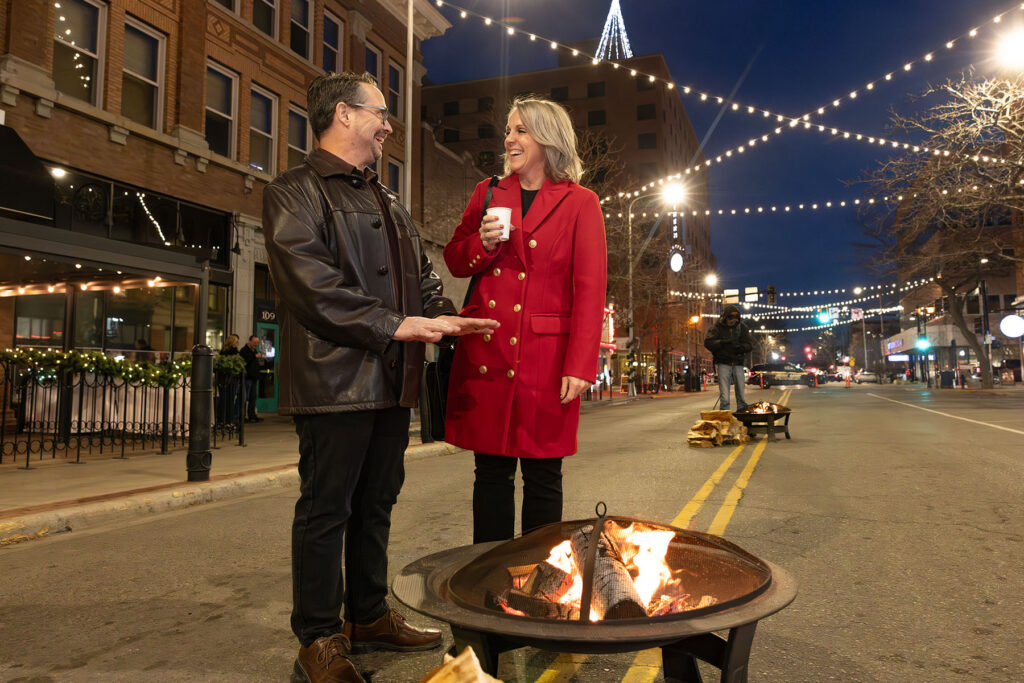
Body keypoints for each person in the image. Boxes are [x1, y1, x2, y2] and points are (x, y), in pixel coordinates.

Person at [262, 71, 499, 683]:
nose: (389, 126)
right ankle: (318, 637)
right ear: (343, 114)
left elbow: (420, 278)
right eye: (381, 114)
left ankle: (366, 615)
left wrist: (448, 321)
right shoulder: (293, 191)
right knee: (326, 511)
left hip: (392, 381)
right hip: (334, 384)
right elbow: (311, 287)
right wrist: (398, 325)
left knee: (376, 505)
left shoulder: (387, 200)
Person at [442, 96, 608, 544]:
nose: (509, 140)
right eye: (509, 131)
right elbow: (455, 260)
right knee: (490, 473)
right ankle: (487, 580)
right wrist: (481, 242)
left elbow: (590, 290)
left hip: (547, 358)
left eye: (520, 131)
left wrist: (580, 365)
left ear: (547, 138)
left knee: (543, 474)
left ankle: (539, 582)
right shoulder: (489, 192)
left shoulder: (581, 203)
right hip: (489, 350)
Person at [704, 305, 754, 411]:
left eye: (735, 319)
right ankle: (725, 413)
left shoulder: (742, 328)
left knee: (740, 389)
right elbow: (708, 342)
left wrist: (741, 348)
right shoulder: (717, 327)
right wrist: (722, 343)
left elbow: (749, 345)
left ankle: (742, 411)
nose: (733, 321)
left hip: (738, 362)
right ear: (726, 317)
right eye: (731, 319)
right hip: (723, 362)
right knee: (724, 393)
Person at [216, 334, 241, 424]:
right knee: (229, 400)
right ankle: (228, 420)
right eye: (237, 341)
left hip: (223, 379)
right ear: (233, 342)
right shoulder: (234, 352)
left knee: (224, 399)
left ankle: (221, 419)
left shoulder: (223, 351)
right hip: (230, 379)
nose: (238, 343)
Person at [239, 335, 262, 422]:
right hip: (247, 378)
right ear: (249, 341)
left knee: (253, 397)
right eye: (254, 342)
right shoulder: (244, 350)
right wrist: (255, 357)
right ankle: (242, 416)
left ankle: (252, 415)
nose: (256, 344)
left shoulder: (254, 350)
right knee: (245, 397)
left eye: (257, 343)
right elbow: (245, 361)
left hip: (254, 378)